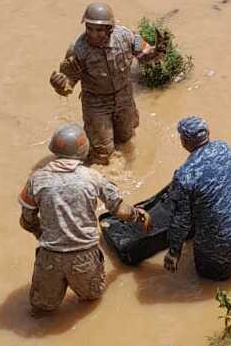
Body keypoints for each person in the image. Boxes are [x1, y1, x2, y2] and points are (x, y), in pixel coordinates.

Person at [18, 124, 151, 314]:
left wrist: (41, 234)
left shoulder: (36, 180)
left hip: (49, 256)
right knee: (91, 298)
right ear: (82, 150)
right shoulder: (93, 177)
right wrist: (138, 215)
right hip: (84, 255)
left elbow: (26, 220)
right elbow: (120, 211)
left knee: (42, 309)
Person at [48, 2, 167, 164]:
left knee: (126, 138)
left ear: (109, 28)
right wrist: (59, 84)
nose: (93, 34)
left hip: (124, 96)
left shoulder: (127, 36)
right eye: (89, 28)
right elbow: (68, 84)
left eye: (99, 30)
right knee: (103, 152)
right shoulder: (78, 49)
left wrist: (157, 50)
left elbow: (144, 54)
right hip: (96, 103)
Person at [163, 117, 231, 281]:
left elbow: (181, 221)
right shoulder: (224, 148)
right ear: (207, 134)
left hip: (220, 243)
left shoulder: (184, 176)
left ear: (184, 141)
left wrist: (174, 252)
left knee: (211, 282)